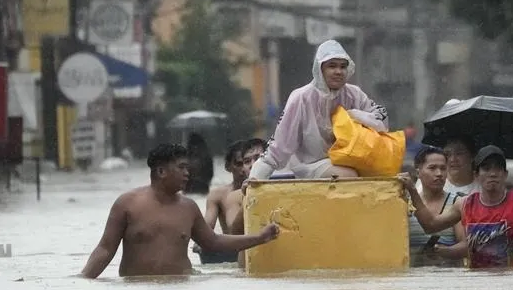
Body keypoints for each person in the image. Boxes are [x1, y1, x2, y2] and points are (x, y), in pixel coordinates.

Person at [79, 143, 280, 278]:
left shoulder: (188, 207)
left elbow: (214, 241)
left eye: (188, 167)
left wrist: (259, 237)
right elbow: (105, 249)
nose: (187, 173)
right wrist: (83, 280)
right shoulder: (127, 204)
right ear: (161, 171)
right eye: (181, 167)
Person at [248, 39, 389, 181]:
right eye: (332, 66)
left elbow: (381, 118)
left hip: (352, 159)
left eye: (342, 66)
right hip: (312, 165)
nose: (338, 71)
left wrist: (355, 115)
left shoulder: (354, 94)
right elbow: (279, 146)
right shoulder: (301, 98)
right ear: (320, 69)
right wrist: (255, 180)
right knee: (348, 176)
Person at [399, 145, 513, 269]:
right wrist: (412, 190)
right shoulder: (464, 204)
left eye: (498, 169)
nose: (493, 174)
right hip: (477, 282)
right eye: (486, 169)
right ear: (476, 175)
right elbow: (430, 225)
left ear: (505, 174)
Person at [198, 138, 266, 264]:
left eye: (258, 159)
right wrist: (201, 242)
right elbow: (208, 229)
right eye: (242, 163)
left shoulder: (281, 187)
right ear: (228, 167)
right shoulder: (223, 196)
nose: (252, 165)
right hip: (233, 251)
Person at [407, 146, 465, 267]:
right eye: (432, 168)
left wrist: (446, 252)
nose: (439, 174)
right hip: (414, 281)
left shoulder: (457, 202)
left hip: (449, 280)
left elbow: (467, 244)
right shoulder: (406, 204)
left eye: (443, 168)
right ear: (418, 172)